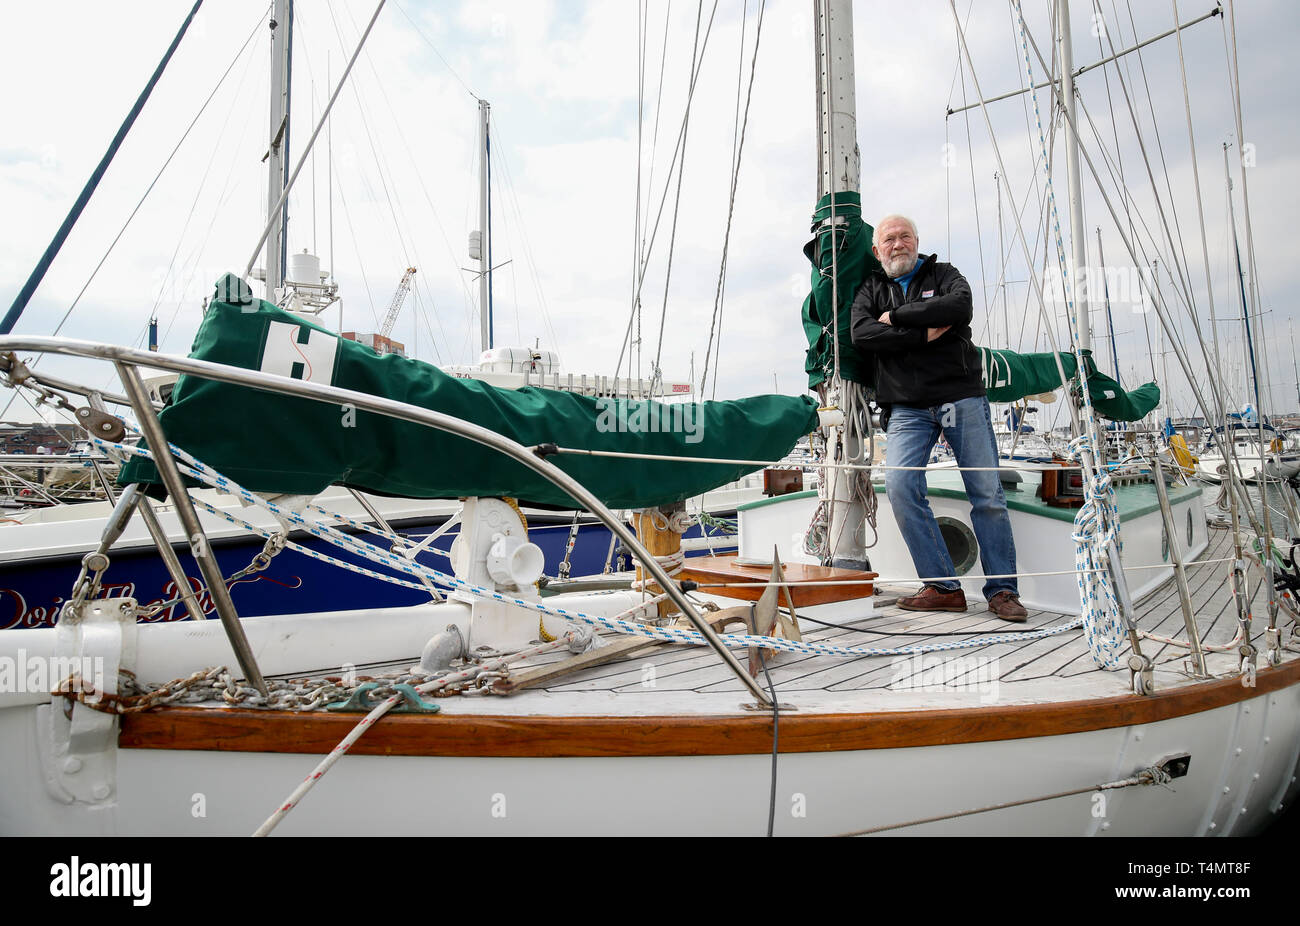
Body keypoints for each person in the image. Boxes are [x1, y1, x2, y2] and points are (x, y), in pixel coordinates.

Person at [849, 214, 1027, 621]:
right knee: (900, 486)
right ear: (877, 251)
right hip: (907, 406)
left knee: (987, 494)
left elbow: (958, 307)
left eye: (905, 236)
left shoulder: (944, 273)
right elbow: (862, 335)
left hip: (959, 396)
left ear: (916, 241)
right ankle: (944, 586)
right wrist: (925, 328)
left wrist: (896, 318)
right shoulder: (871, 289)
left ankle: (1002, 591)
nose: (898, 244)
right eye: (889, 239)